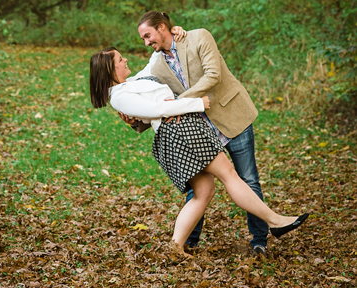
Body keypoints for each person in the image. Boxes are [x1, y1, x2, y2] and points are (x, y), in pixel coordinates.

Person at [90, 47, 309, 258]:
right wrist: (197, 103)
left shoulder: (131, 83)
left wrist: (173, 32)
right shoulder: (119, 96)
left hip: (181, 129)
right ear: (109, 71)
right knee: (228, 175)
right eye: (119, 60)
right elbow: (160, 110)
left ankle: (176, 246)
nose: (125, 60)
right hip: (181, 130)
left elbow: (152, 62)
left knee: (204, 192)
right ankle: (275, 221)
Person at [123, 12, 269, 255]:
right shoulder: (156, 64)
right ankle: (189, 242)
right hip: (198, 132)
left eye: (148, 35)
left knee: (248, 179)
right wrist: (133, 119)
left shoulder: (199, 37)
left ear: (162, 27)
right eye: (143, 38)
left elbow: (213, 75)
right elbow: (155, 101)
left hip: (232, 116)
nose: (146, 42)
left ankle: (259, 240)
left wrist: (181, 101)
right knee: (197, 188)